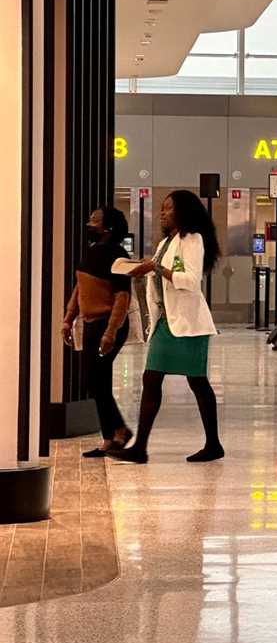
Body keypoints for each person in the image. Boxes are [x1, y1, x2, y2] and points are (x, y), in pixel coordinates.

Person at [112, 190, 225, 464]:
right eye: (162, 209)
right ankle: (140, 447)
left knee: (197, 382)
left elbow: (190, 279)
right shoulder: (166, 242)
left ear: (183, 211)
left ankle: (213, 444)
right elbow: (160, 270)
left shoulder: (192, 239)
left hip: (188, 325)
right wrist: (142, 267)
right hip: (165, 322)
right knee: (151, 379)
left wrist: (156, 268)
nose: (163, 213)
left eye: (168, 208)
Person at [62, 206, 134, 458]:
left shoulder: (118, 255)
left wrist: (111, 332)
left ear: (108, 227)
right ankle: (116, 432)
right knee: (94, 382)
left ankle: (114, 434)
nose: (89, 223)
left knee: (96, 380)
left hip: (108, 325)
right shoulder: (92, 252)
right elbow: (79, 288)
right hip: (91, 324)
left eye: (94, 220)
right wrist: (68, 318)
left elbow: (122, 297)